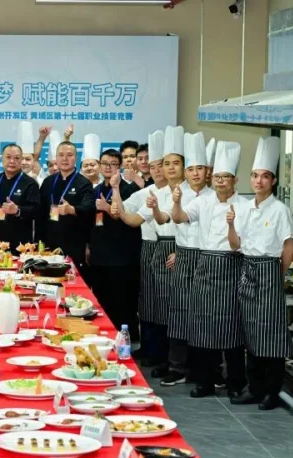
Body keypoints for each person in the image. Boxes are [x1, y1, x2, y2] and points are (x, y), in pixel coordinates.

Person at [167, 140, 247, 398]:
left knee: (231, 327)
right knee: (203, 327)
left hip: (231, 266)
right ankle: (205, 381)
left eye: (226, 177)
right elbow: (179, 217)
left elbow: (242, 243)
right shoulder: (203, 202)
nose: (221, 181)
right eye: (218, 176)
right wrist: (176, 202)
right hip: (204, 266)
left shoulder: (245, 205)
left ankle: (235, 382)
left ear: (235, 180)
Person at [230, 136, 293, 410]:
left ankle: (272, 391)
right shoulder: (244, 208)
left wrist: (278, 275)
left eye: (265, 176)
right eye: (255, 176)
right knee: (251, 332)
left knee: (271, 334)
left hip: (269, 270)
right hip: (248, 268)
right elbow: (236, 243)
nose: (258, 181)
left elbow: (288, 248)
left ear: (273, 181)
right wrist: (230, 226)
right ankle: (253, 388)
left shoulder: (280, 210)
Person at [149, 132, 214, 387]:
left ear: (207, 172)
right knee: (178, 313)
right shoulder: (177, 192)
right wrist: (155, 207)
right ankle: (177, 367)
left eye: (200, 169)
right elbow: (165, 219)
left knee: (205, 315)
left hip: (208, 258)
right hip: (184, 256)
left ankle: (204, 370)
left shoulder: (214, 196)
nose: (195, 174)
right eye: (191, 169)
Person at [119, 130, 171, 371]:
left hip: (170, 249)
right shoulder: (146, 193)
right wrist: (115, 195)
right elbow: (124, 213)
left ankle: (165, 356)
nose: (158, 170)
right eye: (153, 166)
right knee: (148, 301)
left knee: (166, 304)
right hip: (149, 248)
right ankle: (151, 349)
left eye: (162, 165)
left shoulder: (178, 192)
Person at [88, 148, 141, 329]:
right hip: (99, 254)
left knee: (122, 301)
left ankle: (126, 337)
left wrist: (106, 207)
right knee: (101, 298)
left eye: (113, 164)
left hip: (121, 255)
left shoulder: (129, 189)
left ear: (119, 167)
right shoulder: (95, 190)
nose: (108, 167)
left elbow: (126, 217)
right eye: (104, 163)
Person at [36, 141, 94, 268]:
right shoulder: (48, 181)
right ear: (56, 158)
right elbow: (40, 214)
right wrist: (38, 242)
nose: (65, 159)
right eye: (61, 155)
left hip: (74, 242)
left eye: (69, 155)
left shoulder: (84, 183)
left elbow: (89, 208)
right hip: (49, 242)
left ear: (76, 158)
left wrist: (71, 209)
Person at [0, 143, 40, 248]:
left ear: (21, 160)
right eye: (8, 157)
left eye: (17, 158)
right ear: (2, 159)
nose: (12, 161)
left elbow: (36, 210)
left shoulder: (30, 183)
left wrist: (18, 210)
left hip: (20, 243)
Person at [19, 121, 44, 185]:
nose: (24, 162)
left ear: (33, 161)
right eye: (21, 159)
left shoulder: (41, 182)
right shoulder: (6, 180)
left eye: (28, 159)